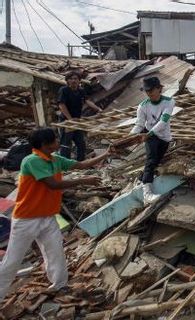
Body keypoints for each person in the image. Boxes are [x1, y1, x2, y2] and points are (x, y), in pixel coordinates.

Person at [0, 127, 111, 302]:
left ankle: (59, 284)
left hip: (47, 215)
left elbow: (81, 165)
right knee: (13, 260)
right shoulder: (32, 161)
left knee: (55, 252)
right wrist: (84, 181)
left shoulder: (54, 159)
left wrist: (106, 154)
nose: (59, 143)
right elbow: (52, 184)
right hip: (26, 219)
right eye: (55, 140)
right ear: (45, 145)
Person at [130, 77, 175, 205]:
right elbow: (139, 124)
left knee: (157, 161)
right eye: (147, 91)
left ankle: (142, 179)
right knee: (151, 159)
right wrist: (131, 136)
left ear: (159, 89)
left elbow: (164, 121)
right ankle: (147, 194)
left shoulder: (169, 102)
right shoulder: (143, 106)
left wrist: (149, 134)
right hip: (150, 134)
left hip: (164, 136)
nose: (149, 93)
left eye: (151, 90)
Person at [58, 71, 102, 161]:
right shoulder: (64, 90)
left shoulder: (81, 90)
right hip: (66, 121)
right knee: (66, 144)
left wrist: (98, 109)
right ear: (67, 81)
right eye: (71, 79)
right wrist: (70, 119)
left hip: (77, 120)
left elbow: (87, 101)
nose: (73, 81)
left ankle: (80, 163)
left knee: (81, 143)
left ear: (79, 81)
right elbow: (61, 105)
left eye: (76, 79)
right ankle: (65, 165)